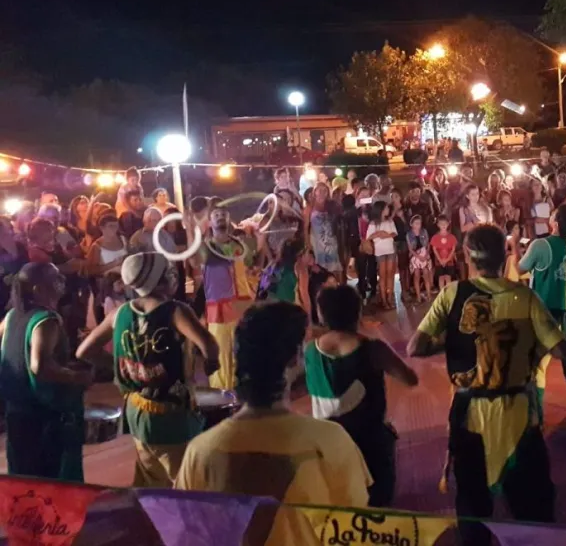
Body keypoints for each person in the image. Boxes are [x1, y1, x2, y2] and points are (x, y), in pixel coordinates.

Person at [408, 225, 566, 545]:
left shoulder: (453, 294)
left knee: (472, 504)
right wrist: (531, 345)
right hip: (518, 414)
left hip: (471, 413)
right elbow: (563, 350)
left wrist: (454, 341)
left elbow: (415, 347)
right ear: (504, 256)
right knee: (534, 506)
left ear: (469, 258)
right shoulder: (524, 296)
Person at [176, 302, 371, 545]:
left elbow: (189, 529)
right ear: (295, 359)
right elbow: (352, 527)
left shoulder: (199, 451)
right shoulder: (330, 441)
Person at [76, 252, 219, 486]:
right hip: (170, 413)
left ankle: (149, 520)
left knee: (150, 480)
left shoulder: (119, 313)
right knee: (186, 483)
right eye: (170, 273)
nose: (175, 277)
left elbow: (83, 351)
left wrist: (119, 367)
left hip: (137, 409)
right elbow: (209, 345)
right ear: (159, 281)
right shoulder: (176, 311)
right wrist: (212, 363)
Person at [306, 285, 418, 506]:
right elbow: (410, 379)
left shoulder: (310, 351)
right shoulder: (372, 349)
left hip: (328, 444)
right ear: (357, 312)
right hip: (371, 444)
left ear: (321, 314)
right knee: (378, 503)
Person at [0, 262, 93, 481]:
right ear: (37, 289)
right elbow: (40, 366)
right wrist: (77, 376)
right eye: (56, 278)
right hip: (46, 419)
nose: (62, 281)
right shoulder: (47, 321)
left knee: (25, 484)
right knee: (55, 486)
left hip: (17, 415)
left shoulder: (12, 316)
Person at [518, 205, 566, 418]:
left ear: (556, 223)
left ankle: (535, 414)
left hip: (546, 313)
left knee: (538, 363)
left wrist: (514, 247)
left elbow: (520, 269)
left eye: (553, 215)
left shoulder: (540, 245)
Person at [194, 206, 254, 390]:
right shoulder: (206, 247)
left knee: (242, 352)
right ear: (210, 223)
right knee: (221, 354)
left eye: (224, 215)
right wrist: (193, 230)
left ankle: (241, 392)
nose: (220, 217)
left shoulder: (240, 246)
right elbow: (200, 260)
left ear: (229, 221)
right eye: (216, 215)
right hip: (218, 308)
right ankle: (222, 396)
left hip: (241, 305)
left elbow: (253, 265)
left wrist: (261, 240)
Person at [368, 201, 398, 310]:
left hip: (390, 250)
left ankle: (389, 298)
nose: (388, 210)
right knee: (382, 275)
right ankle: (384, 299)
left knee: (390, 274)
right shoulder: (373, 223)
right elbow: (369, 237)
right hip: (380, 251)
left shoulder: (390, 221)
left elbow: (394, 233)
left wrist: (386, 235)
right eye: (386, 208)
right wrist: (379, 234)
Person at [406, 215, 432, 304]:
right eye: (416, 223)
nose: (418, 225)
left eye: (420, 223)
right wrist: (418, 256)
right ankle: (418, 296)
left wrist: (426, 255)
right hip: (415, 256)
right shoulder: (409, 234)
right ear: (411, 224)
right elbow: (410, 249)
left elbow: (428, 245)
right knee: (416, 275)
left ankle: (428, 295)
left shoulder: (424, 231)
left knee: (426, 274)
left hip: (424, 254)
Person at [431, 215, 458, 291]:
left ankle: (448, 295)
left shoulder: (452, 237)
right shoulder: (435, 237)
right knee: (441, 278)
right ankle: (442, 295)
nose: (443, 225)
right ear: (438, 225)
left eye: (445, 223)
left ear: (448, 224)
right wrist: (440, 260)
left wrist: (447, 260)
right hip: (439, 261)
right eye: (441, 223)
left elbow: (453, 249)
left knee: (448, 277)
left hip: (449, 261)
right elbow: (434, 249)